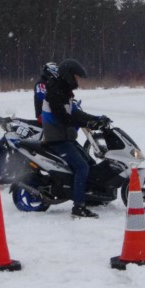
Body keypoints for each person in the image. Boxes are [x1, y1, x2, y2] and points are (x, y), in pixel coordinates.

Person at [40, 59, 111, 218]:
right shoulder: (55, 93)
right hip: (57, 140)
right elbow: (63, 118)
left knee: (90, 163)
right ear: (68, 76)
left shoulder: (63, 91)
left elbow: (76, 113)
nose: (78, 81)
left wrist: (96, 119)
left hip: (66, 138)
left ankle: (89, 196)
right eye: (76, 77)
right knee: (82, 167)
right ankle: (78, 207)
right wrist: (87, 123)